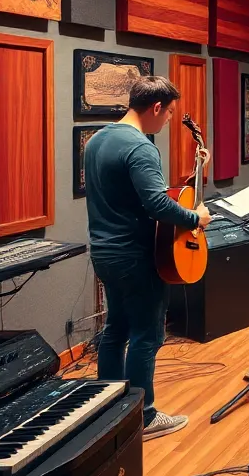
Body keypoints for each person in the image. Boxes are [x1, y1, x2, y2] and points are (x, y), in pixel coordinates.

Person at [84, 76, 211, 440]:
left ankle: (107, 409)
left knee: (116, 330)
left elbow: (131, 195)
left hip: (105, 253)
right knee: (147, 335)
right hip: (136, 256)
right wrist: (195, 218)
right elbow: (157, 204)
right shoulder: (140, 147)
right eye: (169, 113)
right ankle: (144, 416)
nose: (169, 119)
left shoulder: (97, 140)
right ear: (156, 107)